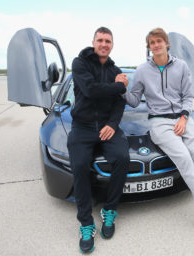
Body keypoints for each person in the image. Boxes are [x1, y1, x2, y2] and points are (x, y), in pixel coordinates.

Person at [124, 28, 194, 242]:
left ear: (167, 44)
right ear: (148, 47)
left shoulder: (182, 66)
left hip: (184, 118)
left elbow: (188, 96)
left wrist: (184, 118)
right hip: (159, 122)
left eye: (159, 41)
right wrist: (122, 89)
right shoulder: (141, 70)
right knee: (184, 159)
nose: (156, 45)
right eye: (152, 42)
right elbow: (133, 100)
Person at [67, 27, 130, 253]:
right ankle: (86, 223)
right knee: (81, 165)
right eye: (100, 40)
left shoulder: (116, 70)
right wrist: (118, 85)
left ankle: (109, 210)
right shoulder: (79, 63)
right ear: (93, 42)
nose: (104, 44)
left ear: (112, 45)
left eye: (108, 41)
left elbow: (120, 102)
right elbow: (91, 90)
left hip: (106, 127)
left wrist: (113, 124)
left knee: (123, 157)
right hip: (82, 127)